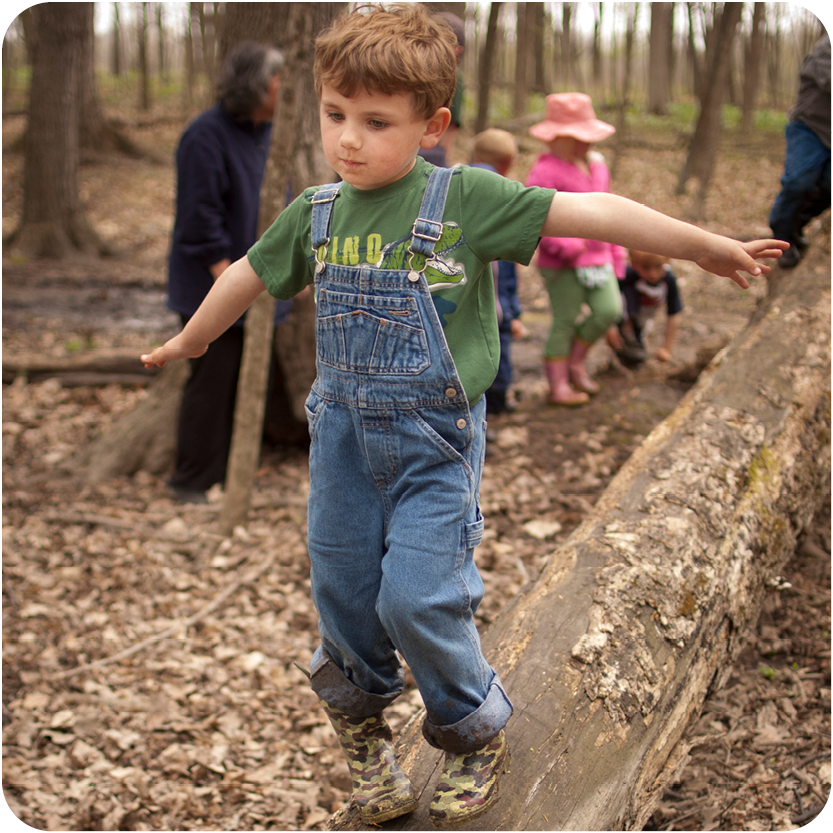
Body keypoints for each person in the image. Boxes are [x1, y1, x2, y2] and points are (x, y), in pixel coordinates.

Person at [140, 4, 786, 827]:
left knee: (416, 597)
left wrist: (703, 244)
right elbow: (250, 278)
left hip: (433, 446)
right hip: (339, 443)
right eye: (335, 114)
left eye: (376, 123)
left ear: (432, 127)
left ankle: (471, 728)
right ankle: (364, 731)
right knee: (341, 595)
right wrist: (190, 339)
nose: (347, 139)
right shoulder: (316, 211)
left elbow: (593, 213)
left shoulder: (465, 200)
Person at [166, 40, 289, 503]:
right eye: (280, 82)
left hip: (253, 285)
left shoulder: (266, 133)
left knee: (247, 382)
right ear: (258, 87)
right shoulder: (205, 135)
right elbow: (198, 217)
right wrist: (230, 281)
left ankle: (234, 467)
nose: (287, 90)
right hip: (211, 286)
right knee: (210, 384)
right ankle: (192, 480)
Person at [525, 92, 627, 407]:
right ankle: (557, 385)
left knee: (609, 310)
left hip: (599, 258)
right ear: (557, 137)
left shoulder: (597, 166)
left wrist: (617, 256)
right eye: (577, 137)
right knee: (564, 319)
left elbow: (609, 211)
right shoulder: (545, 169)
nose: (586, 144)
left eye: (588, 137)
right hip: (562, 263)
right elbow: (533, 215)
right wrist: (566, 244)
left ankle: (575, 363)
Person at [470, 128, 527, 415]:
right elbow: (509, 270)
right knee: (497, 361)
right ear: (508, 164)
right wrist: (514, 312)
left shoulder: (452, 185)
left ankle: (489, 408)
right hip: (494, 310)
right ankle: (496, 406)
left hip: (461, 309)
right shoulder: (504, 198)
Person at [769, 31, 831, 269]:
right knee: (798, 182)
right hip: (809, 126)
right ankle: (781, 237)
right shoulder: (827, 46)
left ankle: (795, 227)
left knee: (828, 186)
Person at [610, 250, 684, 367]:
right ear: (633, 264)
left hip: (645, 317)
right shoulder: (627, 276)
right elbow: (610, 302)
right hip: (625, 314)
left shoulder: (668, 279)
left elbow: (674, 313)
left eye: (658, 267)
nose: (653, 274)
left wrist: (666, 348)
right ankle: (626, 337)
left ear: (667, 261)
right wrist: (610, 328)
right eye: (646, 268)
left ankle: (634, 345)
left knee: (638, 347)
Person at [417, 11, 465, 167]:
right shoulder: (409, 67)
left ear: (457, 50)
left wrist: (445, 158)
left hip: (431, 151)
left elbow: (452, 123)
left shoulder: (453, 75)